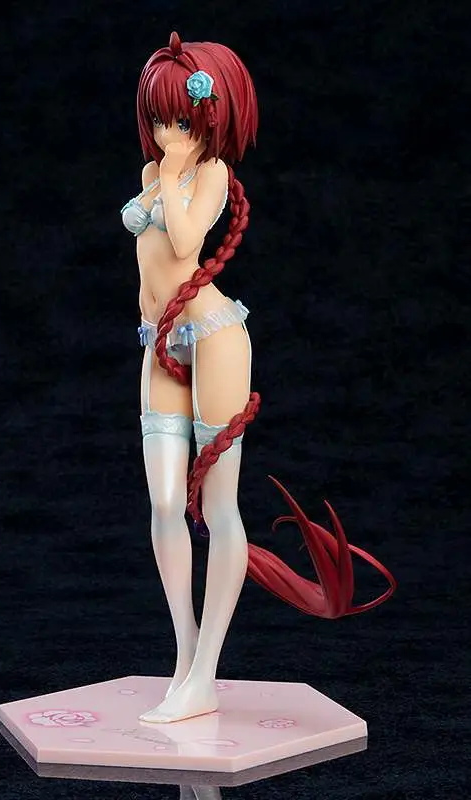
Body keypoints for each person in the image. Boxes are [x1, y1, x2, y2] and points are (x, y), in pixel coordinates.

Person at [120, 31, 396, 724]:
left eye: (181, 120)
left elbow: (187, 242)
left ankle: (205, 672)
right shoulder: (153, 171)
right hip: (160, 342)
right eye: (157, 119)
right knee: (163, 503)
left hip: (214, 338)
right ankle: (185, 656)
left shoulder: (209, 174)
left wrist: (175, 168)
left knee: (218, 508)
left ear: (210, 119)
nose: (167, 133)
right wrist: (161, 171)